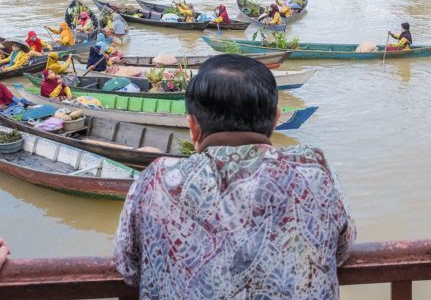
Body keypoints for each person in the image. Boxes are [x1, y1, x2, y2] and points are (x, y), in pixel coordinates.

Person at [114, 54, 355, 299]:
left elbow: (128, 266)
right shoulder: (314, 171)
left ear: (193, 126)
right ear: (275, 119)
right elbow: (341, 250)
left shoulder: (157, 179)